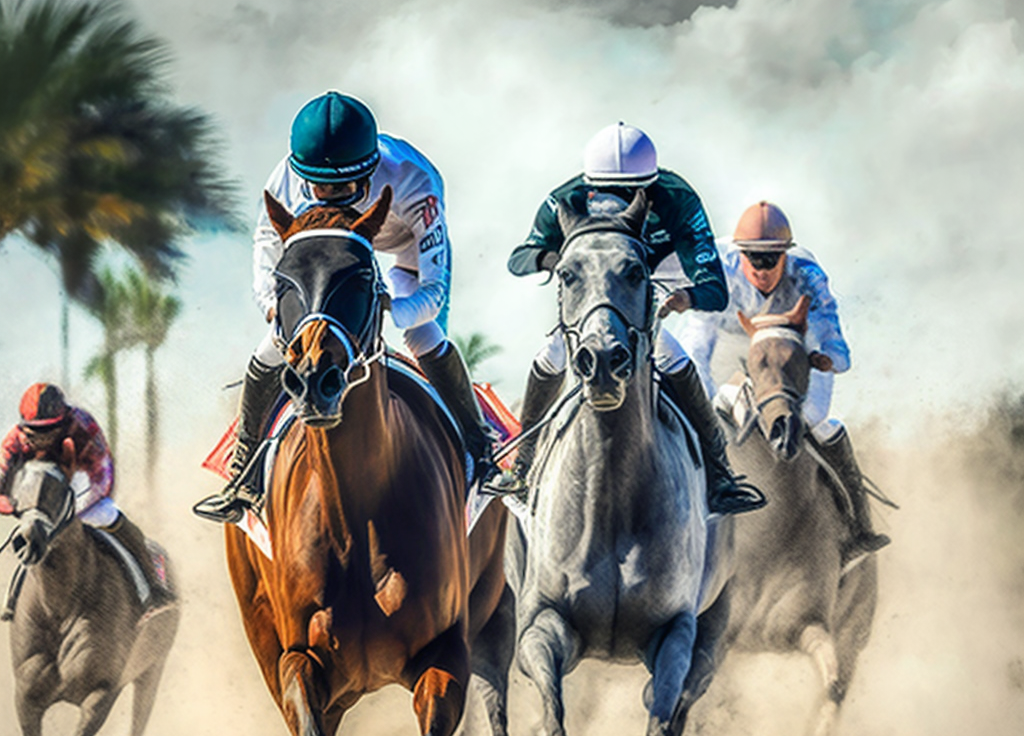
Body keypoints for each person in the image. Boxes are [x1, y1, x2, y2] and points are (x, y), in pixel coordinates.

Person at [195, 91, 497, 524]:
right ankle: (243, 470)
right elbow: (266, 244)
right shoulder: (284, 179)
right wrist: (272, 311)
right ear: (302, 175)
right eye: (319, 188)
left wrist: (388, 304)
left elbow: (434, 293)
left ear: (370, 171)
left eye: (342, 188)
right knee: (272, 347)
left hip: (404, 244)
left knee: (424, 334)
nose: (330, 197)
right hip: (326, 249)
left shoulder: (416, 183)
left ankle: (481, 453)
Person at [494, 121, 764, 515]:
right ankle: (523, 465)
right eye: (605, 192)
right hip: (590, 275)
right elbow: (518, 259)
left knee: (670, 353)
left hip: (655, 273)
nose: (614, 202)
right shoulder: (564, 200)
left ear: (650, 185)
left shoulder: (677, 199)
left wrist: (686, 296)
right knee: (554, 349)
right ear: (589, 184)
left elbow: (715, 289)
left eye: (627, 194)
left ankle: (719, 473)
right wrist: (563, 263)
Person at [674, 200, 890, 560]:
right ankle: (685, 520)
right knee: (703, 417)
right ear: (739, 253)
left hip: (793, 352)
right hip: (732, 347)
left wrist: (827, 358)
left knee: (814, 417)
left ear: (786, 255)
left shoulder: (808, 276)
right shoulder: (717, 273)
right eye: (753, 258)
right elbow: (696, 349)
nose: (761, 268)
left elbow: (836, 344)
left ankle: (857, 526)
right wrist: (704, 409)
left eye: (771, 258)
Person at [0, 383, 171, 617]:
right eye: (34, 433)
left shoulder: (82, 426)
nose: (41, 439)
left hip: (82, 483)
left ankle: (152, 587)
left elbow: (103, 476)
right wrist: (14, 507)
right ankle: (12, 598)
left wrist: (74, 509)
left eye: (50, 431)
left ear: (64, 421)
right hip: (40, 491)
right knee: (30, 530)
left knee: (108, 515)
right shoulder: (14, 439)